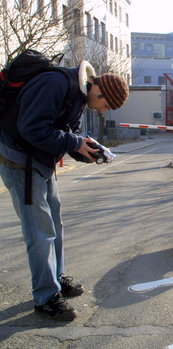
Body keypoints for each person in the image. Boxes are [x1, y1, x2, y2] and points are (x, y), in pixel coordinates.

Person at [0, 60, 129, 321]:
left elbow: (69, 132)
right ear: (99, 91)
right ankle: (46, 297)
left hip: (41, 160)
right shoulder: (56, 83)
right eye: (105, 105)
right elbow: (31, 128)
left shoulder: (79, 94)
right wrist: (73, 142)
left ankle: (55, 279)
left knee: (54, 224)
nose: (103, 111)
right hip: (20, 159)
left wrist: (86, 150)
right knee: (40, 231)